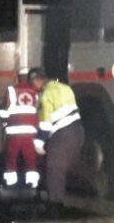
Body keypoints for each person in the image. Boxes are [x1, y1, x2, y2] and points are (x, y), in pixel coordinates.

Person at [33, 69, 83, 208]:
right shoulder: (65, 88)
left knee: (54, 169)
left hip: (63, 134)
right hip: (78, 131)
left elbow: (45, 124)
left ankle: (55, 206)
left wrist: (38, 143)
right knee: (68, 166)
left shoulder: (45, 95)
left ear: (38, 80)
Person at [0, 67, 42, 190]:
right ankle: (32, 184)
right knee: (30, 159)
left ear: (17, 77)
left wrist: (5, 125)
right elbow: (38, 110)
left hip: (14, 132)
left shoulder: (11, 90)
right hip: (30, 133)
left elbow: (4, 111)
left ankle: (11, 184)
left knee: (11, 159)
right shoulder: (34, 92)